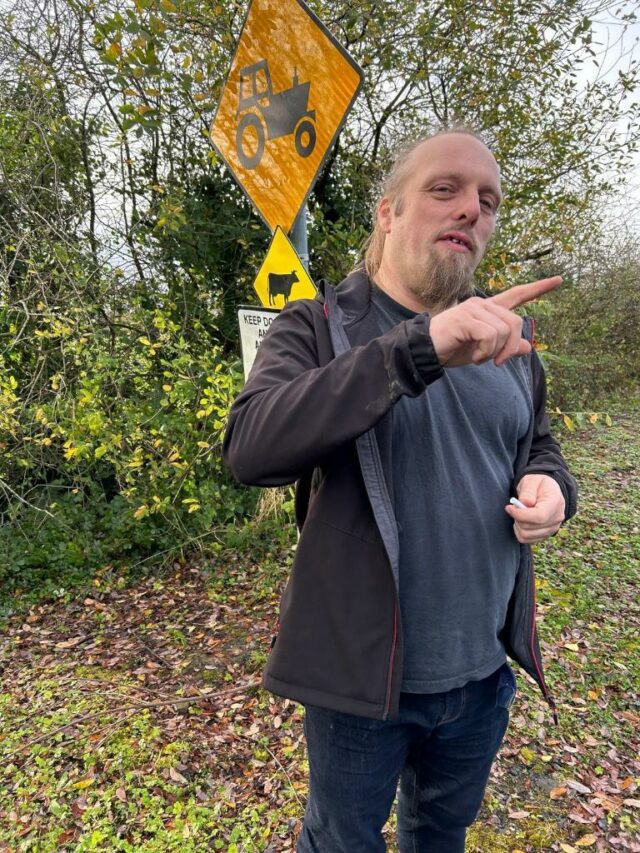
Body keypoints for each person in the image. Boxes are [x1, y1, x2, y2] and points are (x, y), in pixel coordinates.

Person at [223, 128, 577, 852]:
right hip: (361, 689)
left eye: (488, 200)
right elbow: (252, 446)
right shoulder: (318, 326)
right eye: (444, 189)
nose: (471, 210)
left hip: (480, 677)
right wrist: (423, 346)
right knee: (342, 840)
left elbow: (537, 440)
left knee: (441, 832)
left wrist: (554, 485)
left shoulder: (509, 337)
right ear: (387, 213)